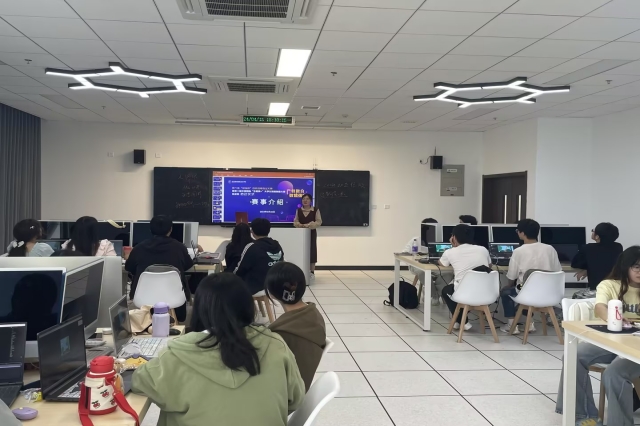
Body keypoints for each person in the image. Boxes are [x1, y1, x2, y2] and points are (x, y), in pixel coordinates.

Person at [132, 273, 305, 426]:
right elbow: (295, 400)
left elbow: (140, 383)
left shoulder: (176, 355)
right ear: (248, 307)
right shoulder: (275, 345)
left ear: (200, 309)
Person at [556, 246, 640, 426]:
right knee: (574, 355)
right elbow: (600, 307)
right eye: (636, 267)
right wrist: (613, 317)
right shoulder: (610, 285)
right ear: (625, 266)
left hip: (636, 347)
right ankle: (583, 415)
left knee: (614, 372)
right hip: (613, 340)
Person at [266, 262, 326, 391]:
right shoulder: (313, 314)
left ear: (271, 294)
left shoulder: (280, 334)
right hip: (299, 387)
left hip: (285, 395)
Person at [125, 215, 193, 322]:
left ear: (150, 230)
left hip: (144, 299)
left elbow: (129, 268)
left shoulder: (139, 248)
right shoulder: (179, 247)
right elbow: (188, 265)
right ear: (170, 230)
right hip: (175, 300)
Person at [500, 218, 562, 334]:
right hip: (548, 293)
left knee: (507, 292)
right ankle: (529, 323)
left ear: (522, 233)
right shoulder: (550, 249)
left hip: (526, 292)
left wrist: (509, 285)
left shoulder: (519, 251)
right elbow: (558, 271)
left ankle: (511, 325)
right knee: (524, 289)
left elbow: (512, 276)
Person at [439, 224, 492, 331]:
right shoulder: (483, 250)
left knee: (446, 290)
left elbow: (442, 263)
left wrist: (454, 247)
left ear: (454, 237)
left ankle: (463, 321)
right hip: (485, 292)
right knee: (455, 287)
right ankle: (459, 321)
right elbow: (489, 266)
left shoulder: (450, 252)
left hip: (464, 292)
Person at [234, 218, 284, 295]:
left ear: (252, 231)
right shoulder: (277, 244)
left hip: (255, 288)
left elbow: (240, 269)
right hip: (274, 286)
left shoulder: (252, 246)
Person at [572, 222, 623, 290]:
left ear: (597, 236)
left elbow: (575, 264)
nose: (592, 232)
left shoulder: (588, 248)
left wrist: (587, 269)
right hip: (615, 287)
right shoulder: (618, 247)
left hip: (597, 289)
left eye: (593, 231)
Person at [404, 218, 439, 305]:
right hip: (418, 265)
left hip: (435, 266)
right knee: (422, 272)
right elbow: (405, 252)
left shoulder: (440, 240)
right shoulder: (416, 240)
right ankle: (434, 294)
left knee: (448, 274)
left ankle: (434, 293)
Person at [293, 193, 322, 280]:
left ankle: (311, 272)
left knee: (312, 251)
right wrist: (301, 225)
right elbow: (295, 221)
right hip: (300, 234)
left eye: (307, 199)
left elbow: (319, 221)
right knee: (300, 251)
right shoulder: (298, 210)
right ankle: (301, 270)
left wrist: (310, 225)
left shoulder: (315, 210)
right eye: (303, 199)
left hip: (311, 233)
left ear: (310, 200)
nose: (305, 201)